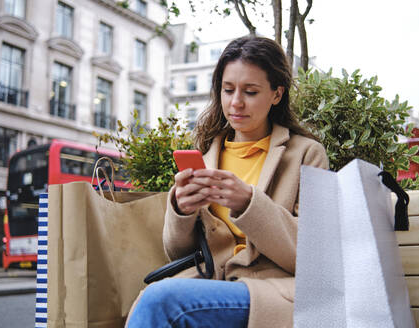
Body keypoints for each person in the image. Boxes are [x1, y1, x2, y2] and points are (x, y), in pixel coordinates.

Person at [126, 36, 329, 328]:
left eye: (250, 91)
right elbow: (178, 253)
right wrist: (181, 211)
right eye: (228, 89)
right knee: (155, 297)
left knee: (161, 300)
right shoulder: (206, 152)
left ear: (276, 94)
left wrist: (248, 202)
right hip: (212, 282)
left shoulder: (306, 154)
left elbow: (314, 255)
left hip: (273, 291)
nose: (236, 102)